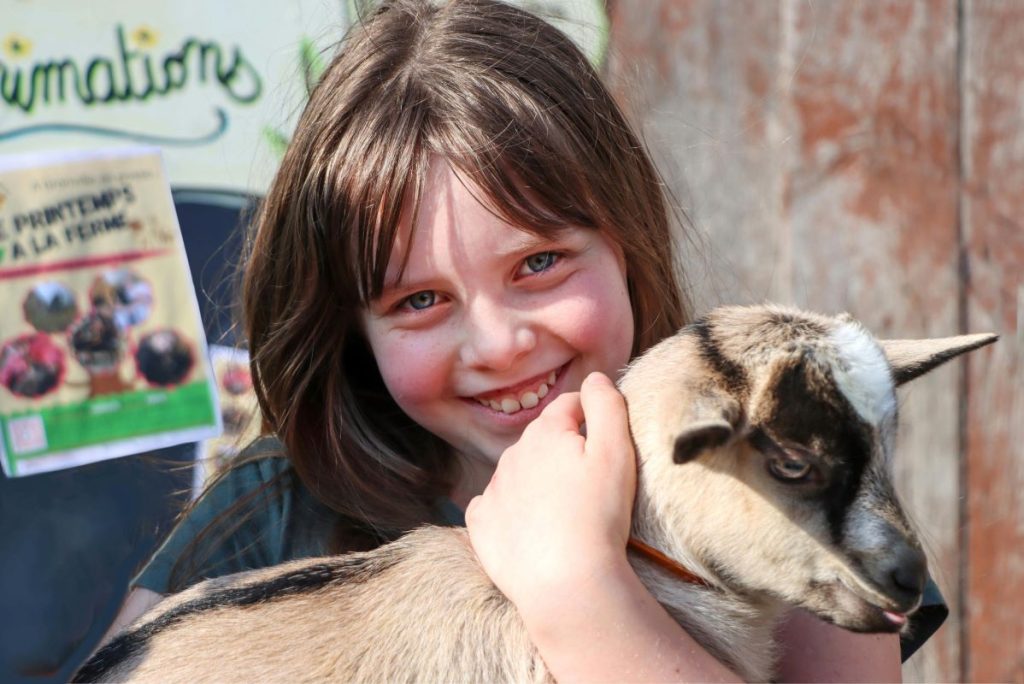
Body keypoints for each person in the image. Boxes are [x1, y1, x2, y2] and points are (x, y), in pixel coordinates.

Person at [97, 0, 946, 680]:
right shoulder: (276, 510)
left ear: (627, 236)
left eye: (539, 262)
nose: (501, 344)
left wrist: (579, 592)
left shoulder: (765, 465)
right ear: (350, 327)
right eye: (421, 299)